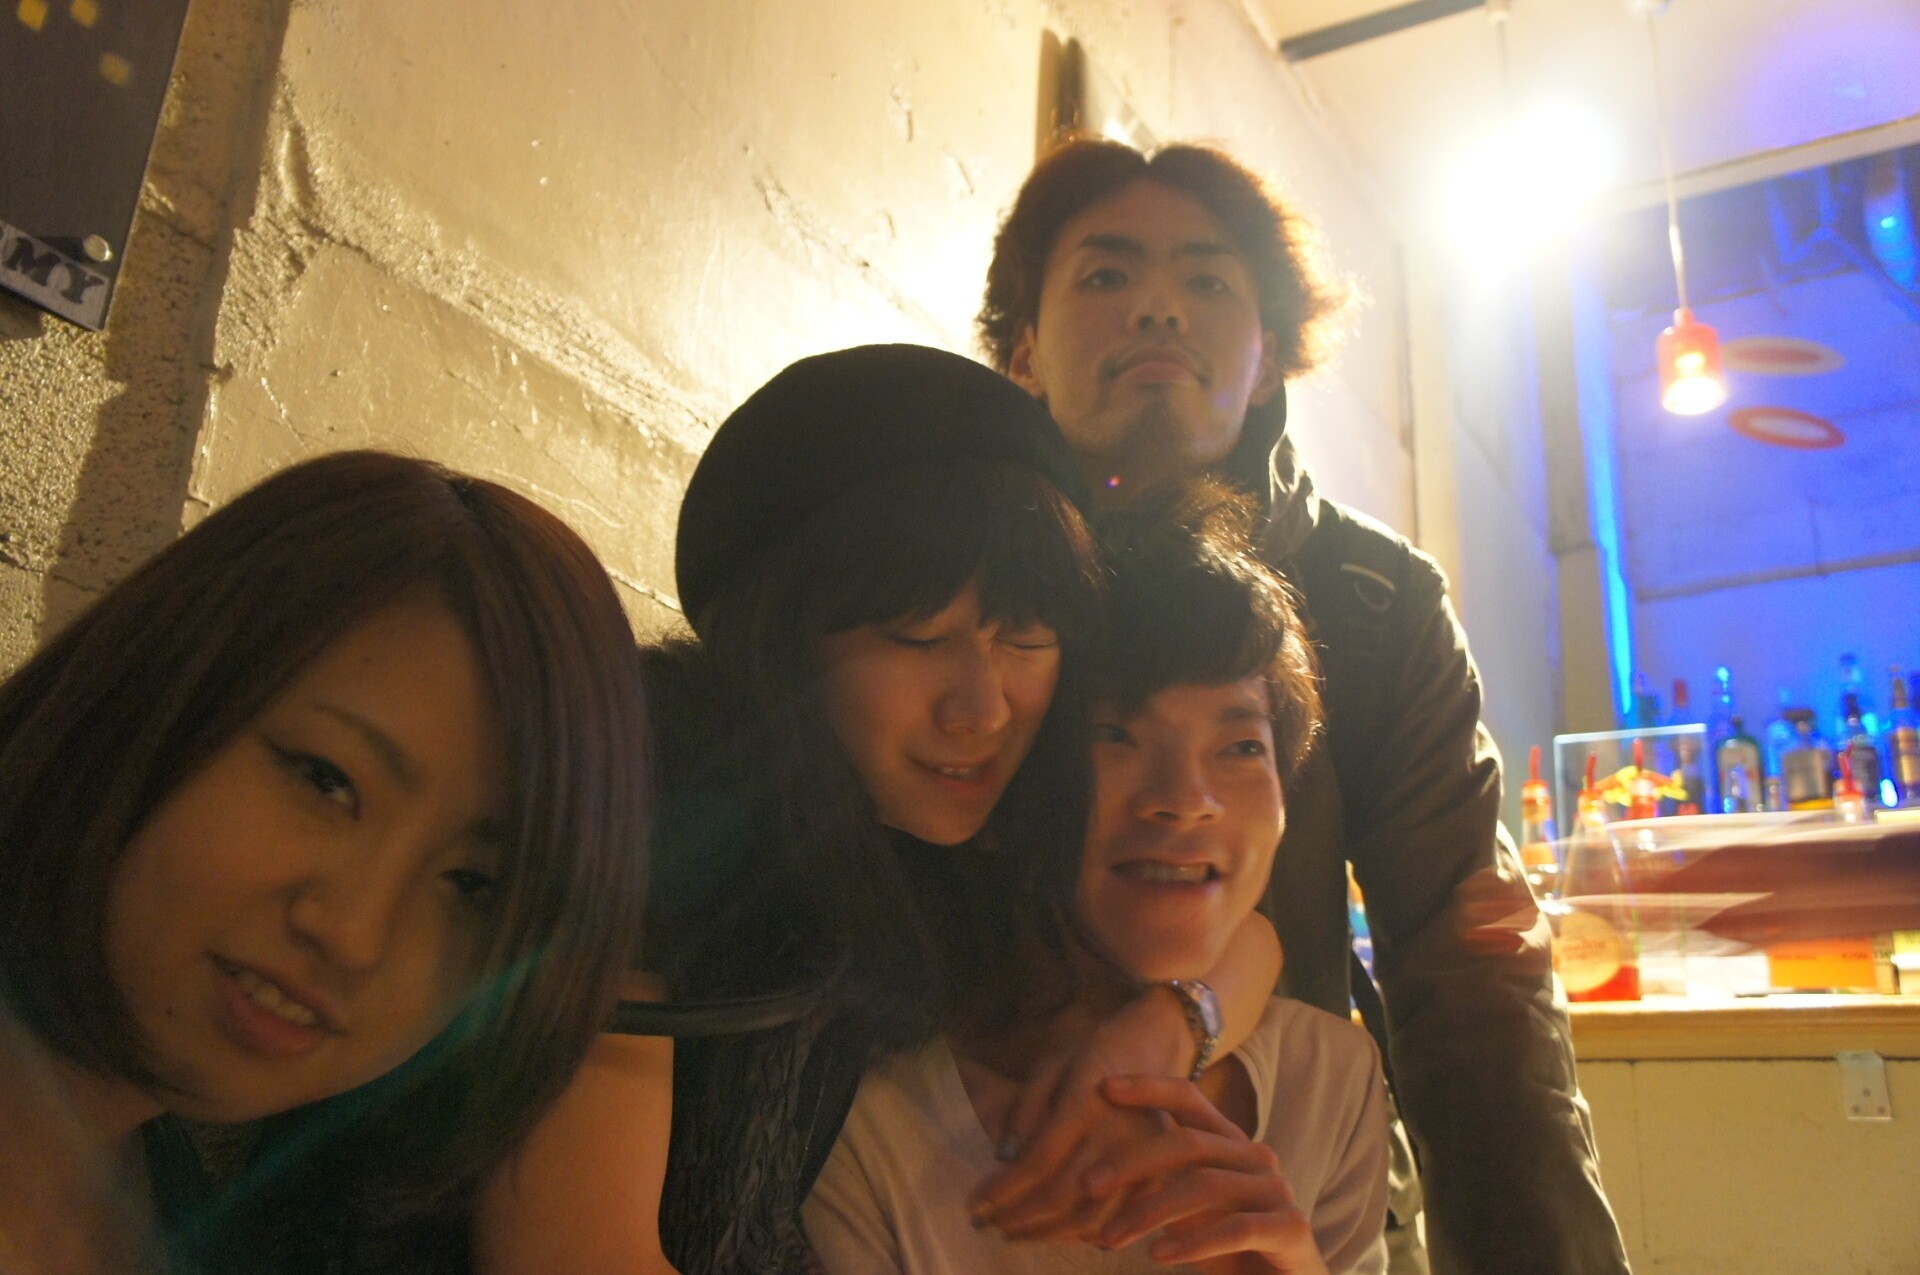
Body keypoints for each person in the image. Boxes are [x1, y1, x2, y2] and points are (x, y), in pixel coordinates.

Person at [475, 344, 1284, 1275]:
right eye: (917, 635)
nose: (982, 708)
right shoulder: (643, 820)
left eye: (1026, 636)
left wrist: (1160, 1032)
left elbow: (1249, 940)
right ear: (778, 638)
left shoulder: (938, 843)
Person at [974, 137, 1632, 1273]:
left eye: (1207, 280)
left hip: (1297, 1182)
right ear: (1024, 348)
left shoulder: (1373, 602)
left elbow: (1471, 969)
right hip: (974, 1167)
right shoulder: (963, 575)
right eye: (1107, 274)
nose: (1159, 308)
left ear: (1271, 353)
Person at [0, 450, 652, 1274]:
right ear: (153, 685)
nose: (355, 935)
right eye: (325, 779)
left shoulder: (174, 1213)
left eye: (474, 885)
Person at [805, 482, 1391, 1275]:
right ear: (1014, 783)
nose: (1186, 798)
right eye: (1115, 734)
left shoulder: (1330, 1080)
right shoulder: (872, 1126)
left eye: (1241, 746)